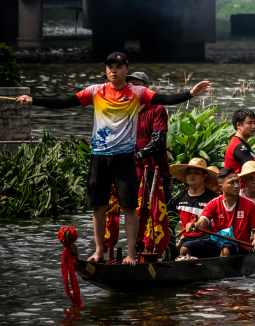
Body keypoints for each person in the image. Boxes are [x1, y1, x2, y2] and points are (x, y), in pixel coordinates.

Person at [16, 52, 210, 265]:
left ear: (126, 70)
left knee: (129, 208)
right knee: (99, 207)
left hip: (124, 158)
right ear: (106, 70)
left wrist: (191, 93)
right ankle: (99, 251)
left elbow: (165, 99)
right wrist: (33, 100)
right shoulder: (95, 90)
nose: (113, 70)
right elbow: (65, 102)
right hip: (99, 157)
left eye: (118, 67)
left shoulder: (137, 92)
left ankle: (130, 254)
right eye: (110, 67)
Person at [180, 167, 255, 257]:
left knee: (226, 250)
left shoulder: (250, 204)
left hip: (239, 245)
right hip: (216, 242)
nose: (237, 186)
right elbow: (201, 222)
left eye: (237, 181)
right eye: (231, 183)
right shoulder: (213, 203)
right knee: (185, 248)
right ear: (221, 187)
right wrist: (193, 225)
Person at [128, 71, 172, 193]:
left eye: (136, 84)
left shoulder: (157, 108)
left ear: (146, 88)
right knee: (133, 210)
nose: (131, 88)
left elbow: (158, 141)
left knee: (158, 211)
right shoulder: (125, 110)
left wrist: (134, 157)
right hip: (134, 171)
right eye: (129, 85)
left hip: (155, 171)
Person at [171, 157, 220, 253]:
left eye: (196, 173)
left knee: (185, 249)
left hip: (208, 239)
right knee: (171, 254)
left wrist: (198, 225)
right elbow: (171, 224)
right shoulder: (178, 198)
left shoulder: (214, 198)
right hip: (185, 238)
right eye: (189, 173)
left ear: (204, 176)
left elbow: (219, 224)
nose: (192, 176)